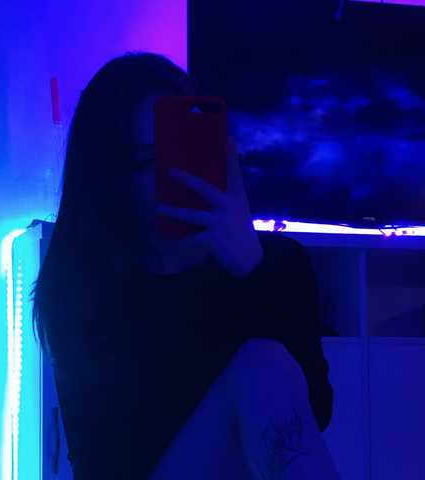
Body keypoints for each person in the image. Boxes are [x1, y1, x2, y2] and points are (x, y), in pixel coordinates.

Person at [32, 52, 337, 479]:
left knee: (264, 365)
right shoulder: (86, 283)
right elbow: (112, 454)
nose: (170, 177)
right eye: (146, 161)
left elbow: (312, 415)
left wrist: (253, 274)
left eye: (182, 155)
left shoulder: (278, 265)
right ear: (110, 177)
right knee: (262, 364)